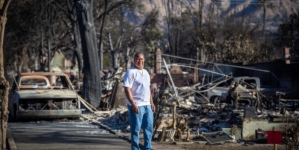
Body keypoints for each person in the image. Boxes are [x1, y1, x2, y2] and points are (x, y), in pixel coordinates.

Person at [123, 52, 156, 150]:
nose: (140, 61)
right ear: (134, 60)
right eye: (138, 59)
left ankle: (148, 148)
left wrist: (152, 102)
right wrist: (133, 104)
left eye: (142, 59)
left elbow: (148, 89)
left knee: (149, 128)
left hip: (147, 105)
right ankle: (135, 148)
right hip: (136, 105)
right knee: (136, 129)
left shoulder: (146, 72)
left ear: (144, 60)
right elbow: (127, 89)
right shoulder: (130, 72)